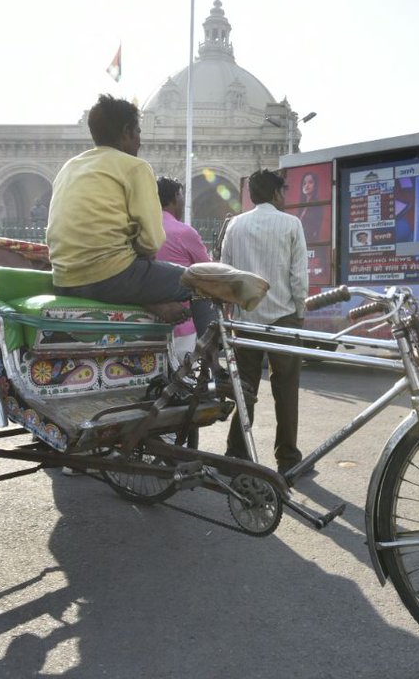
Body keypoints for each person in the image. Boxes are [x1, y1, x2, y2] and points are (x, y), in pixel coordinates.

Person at [45, 94, 216, 338]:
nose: (139, 141)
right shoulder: (134, 166)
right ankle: (209, 356)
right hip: (112, 278)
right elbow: (152, 242)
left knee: (136, 272)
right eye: (137, 132)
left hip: (64, 280)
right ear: (126, 132)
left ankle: (152, 303)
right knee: (203, 283)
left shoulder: (69, 167)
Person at [220, 169, 309, 474]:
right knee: (285, 391)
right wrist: (300, 312)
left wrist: (233, 313)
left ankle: (235, 455)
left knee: (245, 390)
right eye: (283, 192)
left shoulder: (235, 225)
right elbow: (298, 278)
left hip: (245, 320)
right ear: (275, 194)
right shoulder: (291, 224)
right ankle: (287, 459)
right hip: (283, 318)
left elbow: (226, 274)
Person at [155, 176, 210, 363]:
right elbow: (207, 270)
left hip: (144, 323)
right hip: (181, 324)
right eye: (181, 196)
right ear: (174, 198)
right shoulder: (184, 232)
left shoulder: (142, 230)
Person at [294, 171, 326, 243]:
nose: (306, 185)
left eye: (310, 182)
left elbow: (314, 229)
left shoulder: (317, 206)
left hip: (310, 244)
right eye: (304, 183)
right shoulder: (301, 206)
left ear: (315, 185)